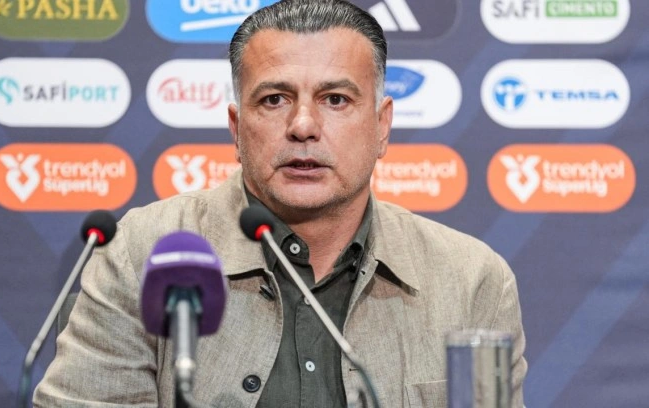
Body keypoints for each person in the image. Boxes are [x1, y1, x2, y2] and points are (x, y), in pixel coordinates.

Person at [34, 0, 527, 406]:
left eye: (335, 99)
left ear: (381, 127)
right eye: (274, 99)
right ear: (236, 128)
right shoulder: (143, 253)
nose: (303, 126)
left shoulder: (471, 281)